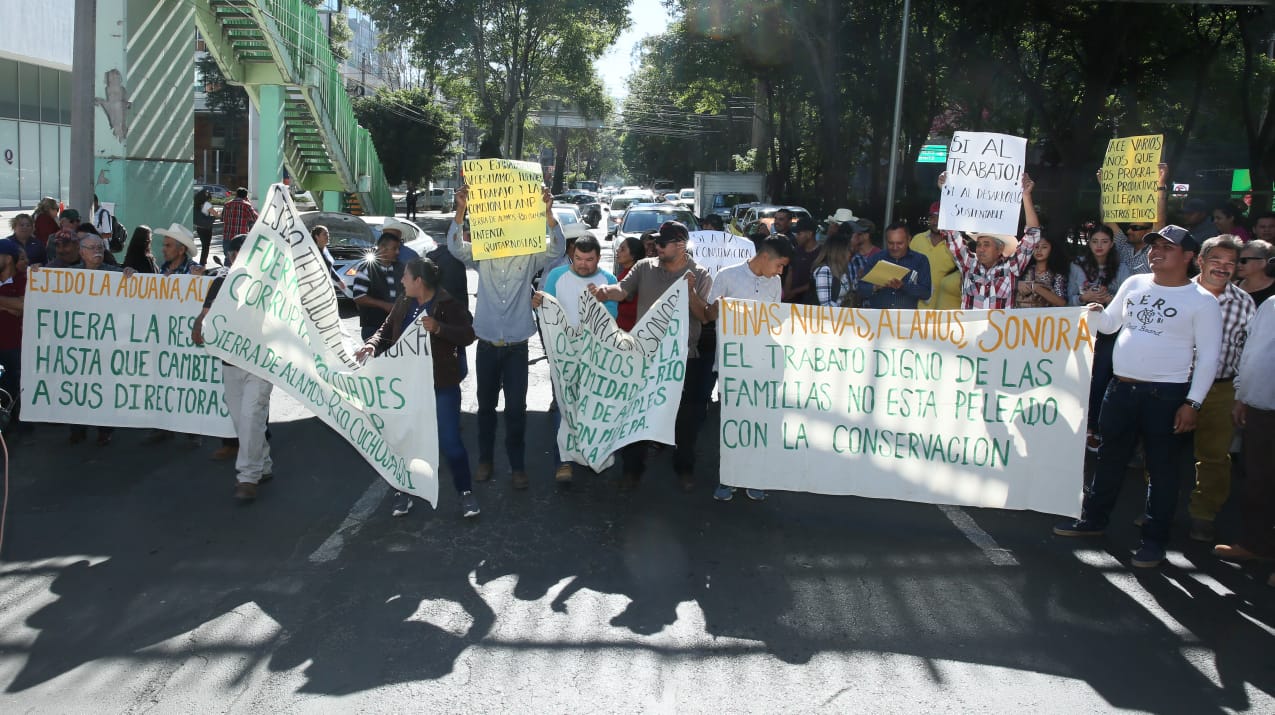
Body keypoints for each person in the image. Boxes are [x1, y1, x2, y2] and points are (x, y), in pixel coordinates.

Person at [1053, 225, 1222, 569]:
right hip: (1121, 389)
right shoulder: (1134, 284)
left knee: (1162, 470)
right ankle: (1093, 520)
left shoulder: (1202, 302)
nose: (1156, 252)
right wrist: (1091, 311)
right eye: (1154, 246)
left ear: (1189, 257)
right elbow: (1110, 326)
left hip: (1167, 395)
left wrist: (1193, 403)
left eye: (1167, 248)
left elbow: (1208, 357)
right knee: (1109, 459)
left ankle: (1155, 541)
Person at [446, 184, 565, 489]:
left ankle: (517, 466)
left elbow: (558, 248)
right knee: (485, 408)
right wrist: (461, 209)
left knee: (515, 409)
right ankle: (485, 461)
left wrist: (548, 214)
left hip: (516, 346)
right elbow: (455, 247)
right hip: (486, 344)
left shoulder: (529, 253)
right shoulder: (481, 254)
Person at [589, 221, 713, 493]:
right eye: (655, 242)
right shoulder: (645, 267)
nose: (655, 246)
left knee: (685, 420)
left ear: (681, 245)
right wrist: (603, 292)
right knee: (636, 413)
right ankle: (632, 470)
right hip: (643, 356)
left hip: (683, 359)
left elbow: (704, 316)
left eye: (662, 243)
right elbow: (622, 290)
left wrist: (690, 291)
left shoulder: (700, 274)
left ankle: (684, 469)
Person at [356, 258, 480, 518]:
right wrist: (372, 344)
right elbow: (386, 328)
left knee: (450, 441)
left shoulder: (448, 305)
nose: (402, 281)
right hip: (406, 385)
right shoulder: (403, 301)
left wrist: (439, 328)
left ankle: (466, 493)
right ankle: (404, 490)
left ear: (418, 282)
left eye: (405, 277)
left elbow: (469, 335)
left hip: (441, 385)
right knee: (404, 439)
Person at [701, 234, 792, 502]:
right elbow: (709, 314)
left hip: (763, 364)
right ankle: (728, 478)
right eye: (779, 265)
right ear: (765, 257)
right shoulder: (727, 277)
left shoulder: (774, 283)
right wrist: (719, 307)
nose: (780, 271)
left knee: (759, 424)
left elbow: (775, 322)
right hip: (732, 366)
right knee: (732, 423)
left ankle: (754, 477)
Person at [191, 234, 274, 502]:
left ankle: (248, 477)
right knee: (243, 421)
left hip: (259, 365)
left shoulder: (270, 286)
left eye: (243, 252)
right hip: (230, 364)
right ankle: (264, 463)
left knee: (251, 417)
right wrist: (199, 326)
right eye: (233, 253)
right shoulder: (220, 283)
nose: (236, 257)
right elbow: (204, 319)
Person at [1185, 235, 1254, 542]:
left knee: (1214, 456)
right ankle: (1154, 508)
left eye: (1230, 263)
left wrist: (1242, 394)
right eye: (1216, 260)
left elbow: (1248, 352)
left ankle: (1204, 514)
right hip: (1178, 385)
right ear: (1200, 261)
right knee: (1161, 451)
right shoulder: (1179, 293)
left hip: (1222, 388)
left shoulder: (1244, 303)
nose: (1224, 268)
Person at [533, 234, 618, 484]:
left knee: (594, 406)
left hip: (595, 357)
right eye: (578, 258)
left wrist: (599, 303)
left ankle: (593, 454)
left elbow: (610, 320)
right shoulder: (557, 276)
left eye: (589, 259)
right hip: (564, 356)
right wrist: (538, 302)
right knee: (564, 404)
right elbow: (546, 308)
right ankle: (564, 462)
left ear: (598, 258)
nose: (583, 264)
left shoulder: (609, 280)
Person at [1215, 256, 1275, 577]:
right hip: (1260, 408)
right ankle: (1257, 545)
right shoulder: (1270, 305)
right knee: (1258, 482)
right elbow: (1250, 350)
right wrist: (1242, 394)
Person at [64, 234, 135, 445]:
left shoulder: (114, 273)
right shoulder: (68, 275)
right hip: (78, 343)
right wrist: (38, 273)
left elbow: (140, 285)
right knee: (77, 385)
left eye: (100, 247)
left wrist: (133, 275)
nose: (98, 250)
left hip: (106, 341)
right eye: (92, 247)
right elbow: (47, 286)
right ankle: (78, 427)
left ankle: (105, 429)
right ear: (81, 251)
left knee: (104, 384)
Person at [1070, 225, 1132, 451]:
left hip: (1109, 330)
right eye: (1094, 240)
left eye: (1104, 241)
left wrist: (1110, 298)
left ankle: (1093, 428)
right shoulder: (1077, 264)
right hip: (1082, 328)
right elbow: (1069, 299)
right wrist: (1083, 297)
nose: (1099, 245)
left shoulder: (1122, 267)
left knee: (1101, 379)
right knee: (1079, 377)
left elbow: (1127, 301)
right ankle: (1077, 426)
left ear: (1112, 243)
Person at [942, 173, 1041, 310]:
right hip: (971, 331)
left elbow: (1033, 235)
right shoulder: (969, 263)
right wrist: (947, 192)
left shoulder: (1011, 267)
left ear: (1000, 249)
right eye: (979, 244)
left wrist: (1026, 196)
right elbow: (950, 234)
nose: (980, 249)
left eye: (986, 244)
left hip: (1000, 331)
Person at [1103, 163, 1168, 275]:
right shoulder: (1124, 245)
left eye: (1135, 228)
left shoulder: (1152, 250)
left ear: (1149, 231)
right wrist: (1105, 188)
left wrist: (1160, 184)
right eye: (1130, 227)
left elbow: (1159, 220)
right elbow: (1108, 220)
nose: (1129, 231)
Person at [855, 222, 932, 309]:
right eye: (891, 243)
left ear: (909, 240)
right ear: (886, 241)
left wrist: (903, 286)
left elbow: (926, 293)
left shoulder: (920, 260)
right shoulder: (876, 258)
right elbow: (861, 289)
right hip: (878, 317)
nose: (895, 247)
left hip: (905, 319)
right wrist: (875, 287)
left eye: (899, 243)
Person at [353, 225, 407, 341]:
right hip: (373, 327)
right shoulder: (367, 267)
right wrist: (385, 305)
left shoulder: (401, 268)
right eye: (394, 248)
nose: (398, 252)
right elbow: (359, 296)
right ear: (382, 248)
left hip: (397, 325)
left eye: (398, 248)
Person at [911, 202, 961, 310]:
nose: (936, 222)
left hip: (942, 310)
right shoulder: (917, 239)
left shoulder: (955, 246)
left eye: (940, 218)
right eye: (933, 217)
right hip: (914, 307)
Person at [0, 240, 26, 436]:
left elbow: (22, 305)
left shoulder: (24, 280)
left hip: (15, 347)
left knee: (15, 388)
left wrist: (14, 305)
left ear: (8, 259)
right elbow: (15, 306)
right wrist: (9, 305)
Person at [1016, 233, 1069, 308]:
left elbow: (1062, 303)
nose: (1039, 250)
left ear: (1052, 249)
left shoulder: (1057, 274)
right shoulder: (1023, 269)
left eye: (1044, 247)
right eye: (1036, 247)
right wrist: (1016, 284)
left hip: (1045, 318)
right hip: (1019, 317)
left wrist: (1036, 288)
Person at [780, 217, 820, 304]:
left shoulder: (821, 253)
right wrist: (786, 294)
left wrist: (794, 292)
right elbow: (790, 272)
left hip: (810, 303)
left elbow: (816, 282)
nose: (796, 236)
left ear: (809, 234)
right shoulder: (796, 251)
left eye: (799, 234)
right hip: (791, 300)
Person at [811, 230, 854, 308]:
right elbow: (825, 306)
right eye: (848, 250)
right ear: (840, 252)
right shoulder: (824, 271)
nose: (850, 253)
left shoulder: (842, 270)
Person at [613, 235, 644, 331]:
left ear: (633, 255)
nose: (617, 251)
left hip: (633, 330)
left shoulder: (636, 276)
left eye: (622, 249)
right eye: (618, 248)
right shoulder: (625, 274)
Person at [846, 219, 882, 299]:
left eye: (858, 234)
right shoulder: (851, 254)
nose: (854, 236)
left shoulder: (879, 255)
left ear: (866, 235)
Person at [1236, 239, 1275, 305]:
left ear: (1263, 262)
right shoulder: (1233, 287)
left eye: (1244, 260)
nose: (1238, 264)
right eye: (1237, 260)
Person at [219, 188, 258, 253]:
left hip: (227, 236)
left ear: (236, 195)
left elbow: (222, 219)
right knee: (239, 259)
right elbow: (255, 218)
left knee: (228, 258)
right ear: (246, 196)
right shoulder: (246, 205)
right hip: (240, 237)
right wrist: (249, 202)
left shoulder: (227, 204)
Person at [193, 188, 218, 265]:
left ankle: (202, 263)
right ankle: (202, 264)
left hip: (199, 228)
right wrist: (219, 213)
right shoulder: (207, 204)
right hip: (206, 229)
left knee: (204, 246)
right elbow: (216, 214)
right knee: (206, 247)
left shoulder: (197, 204)